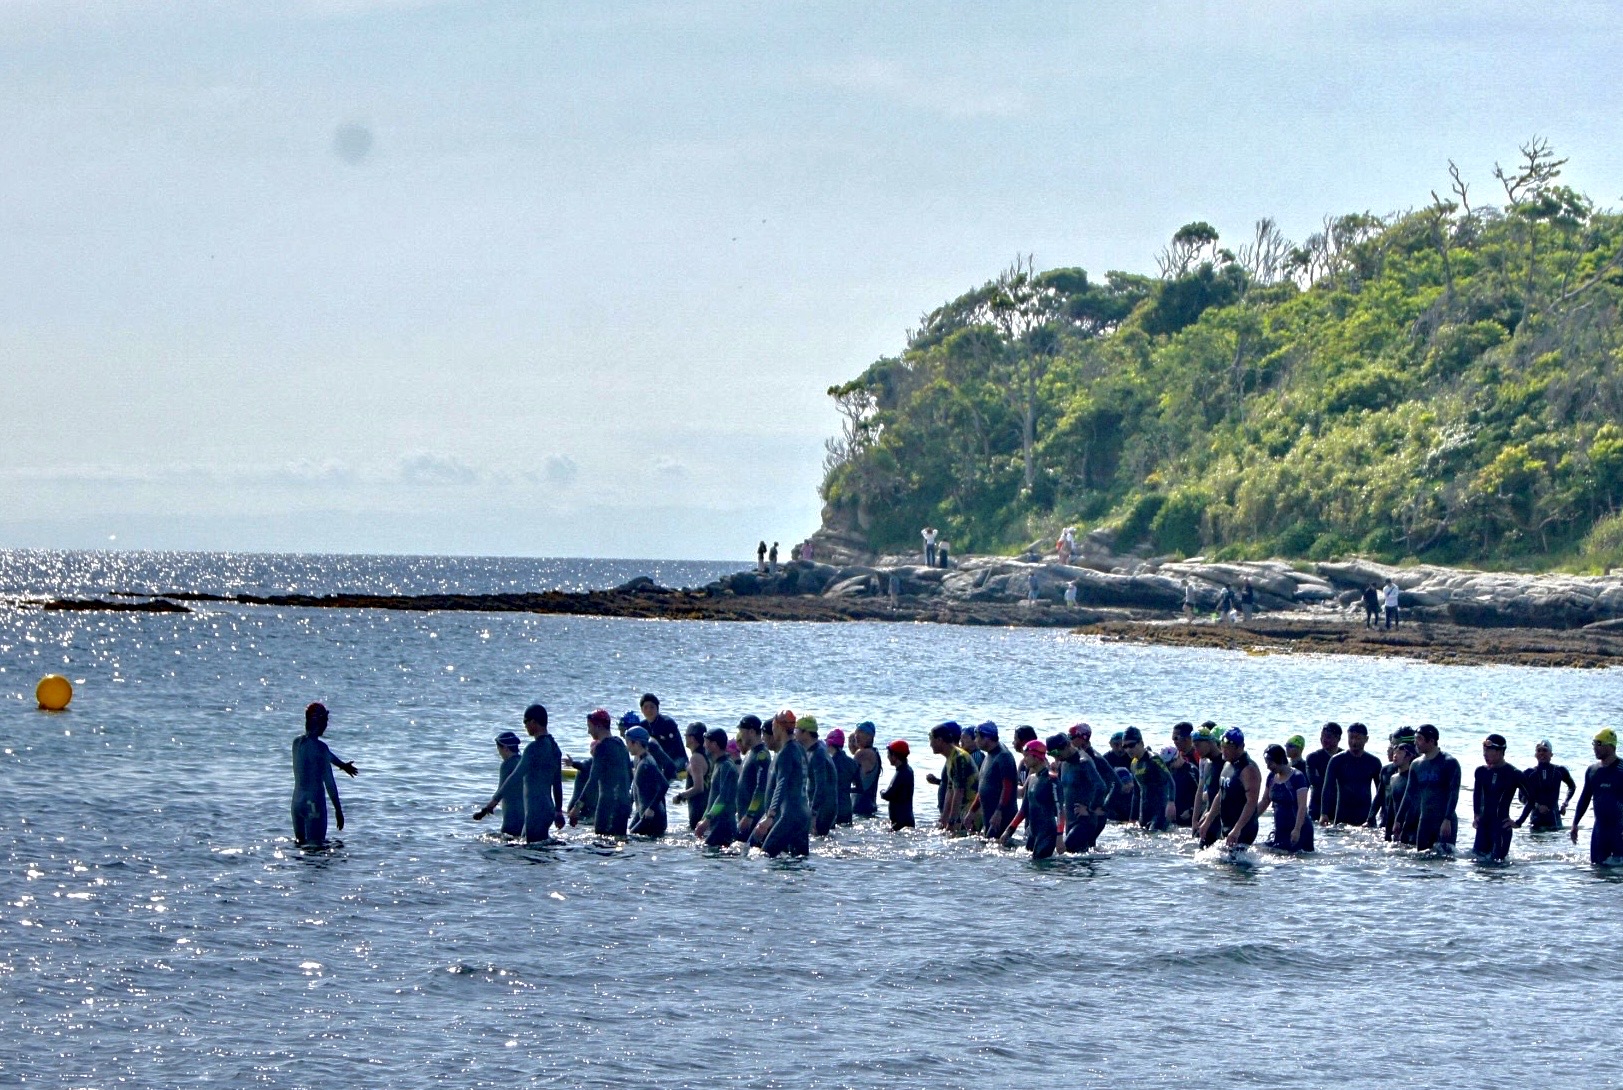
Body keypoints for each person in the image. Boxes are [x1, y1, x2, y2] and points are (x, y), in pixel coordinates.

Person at [475, 704, 563, 844]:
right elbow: (557, 783)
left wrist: (494, 801)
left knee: (532, 859)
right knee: (536, 853)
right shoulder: (555, 747)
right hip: (548, 810)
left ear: (533, 722)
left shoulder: (533, 748)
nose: (525, 726)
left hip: (535, 811)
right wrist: (558, 811)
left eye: (525, 722)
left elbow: (516, 776)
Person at [290, 702, 357, 846]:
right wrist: (338, 810)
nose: (326, 726)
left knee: (301, 848)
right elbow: (329, 783)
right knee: (317, 850)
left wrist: (342, 765)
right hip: (313, 804)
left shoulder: (297, 743)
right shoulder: (321, 749)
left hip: (297, 803)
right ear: (319, 723)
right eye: (325, 722)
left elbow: (325, 755)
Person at [755, 710, 812, 858]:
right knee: (799, 860)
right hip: (804, 814)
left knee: (765, 856)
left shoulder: (786, 753)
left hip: (790, 816)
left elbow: (782, 784)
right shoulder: (800, 748)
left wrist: (770, 816)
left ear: (779, 727)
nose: (772, 730)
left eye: (773, 726)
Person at [570, 709, 633, 836]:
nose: (588, 731)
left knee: (602, 845)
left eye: (589, 727)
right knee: (619, 843)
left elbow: (593, 780)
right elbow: (630, 775)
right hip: (624, 804)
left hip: (607, 805)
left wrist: (577, 807)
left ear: (598, 726)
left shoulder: (601, 748)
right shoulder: (621, 745)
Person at [1400, 723, 1461, 853]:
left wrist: (1447, 819)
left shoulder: (1449, 762)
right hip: (1425, 821)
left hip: (1445, 821)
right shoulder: (1416, 764)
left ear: (1431, 741)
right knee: (1421, 859)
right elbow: (1409, 793)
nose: (1415, 742)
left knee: (1445, 860)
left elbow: (1454, 793)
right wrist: (1398, 820)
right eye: (1415, 738)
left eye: (1419, 739)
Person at [1197, 728, 1261, 849]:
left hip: (1243, 828)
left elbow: (1251, 803)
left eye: (1228, 748)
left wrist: (1237, 829)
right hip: (1227, 824)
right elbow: (1221, 793)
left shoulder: (1248, 769)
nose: (1223, 751)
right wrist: (1207, 821)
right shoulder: (1227, 764)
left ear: (1240, 747)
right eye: (1222, 746)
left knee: (1235, 865)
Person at [1570, 728, 1623, 865]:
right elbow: (1585, 798)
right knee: (1596, 870)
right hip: (1600, 830)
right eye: (1594, 744)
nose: (1595, 748)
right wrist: (1575, 823)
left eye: (1598, 744)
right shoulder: (1592, 771)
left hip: (1620, 830)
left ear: (1611, 746)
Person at [1051, 732, 1108, 853]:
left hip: (1085, 821)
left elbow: (1101, 786)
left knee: (1065, 853)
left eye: (1056, 753)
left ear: (1067, 746)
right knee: (1079, 858)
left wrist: (1090, 809)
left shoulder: (1084, 762)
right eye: (1051, 754)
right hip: (1070, 820)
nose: (1055, 758)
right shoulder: (1063, 763)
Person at [1001, 740, 1058, 860]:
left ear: (1037, 757)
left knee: (1039, 866)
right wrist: (1009, 830)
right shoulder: (1031, 779)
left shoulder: (1052, 779)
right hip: (1032, 832)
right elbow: (1023, 809)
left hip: (1047, 833)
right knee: (1029, 870)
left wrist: (1060, 836)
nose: (1024, 759)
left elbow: (1061, 809)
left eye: (1027, 756)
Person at [1472, 734, 1521, 862]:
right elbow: (1476, 795)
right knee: (1477, 865)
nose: (1484, 754)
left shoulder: (1513, 773)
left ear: (1500, 752)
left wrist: (1518, 822)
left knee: (1497, 866)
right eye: (1483, 750)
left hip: (1501, 828)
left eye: (1488, 750)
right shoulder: (1481, 771)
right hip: (1483, 826)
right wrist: (1476, 815)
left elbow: (1532, 799)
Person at [1322, 722, 1382, 826]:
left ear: (1366, 739)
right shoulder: (1337, 760)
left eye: (1358, 738)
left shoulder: (1374, 762)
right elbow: (1328, 788)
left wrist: (1379, 815)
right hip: (1342, 814)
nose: (1354, 742)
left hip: (1365, 815)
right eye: (1351, 738)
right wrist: (1324, 813)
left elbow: (1381, 792)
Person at [1070, 724, 1117, 847]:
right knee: (1086, 850)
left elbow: (1117, 783)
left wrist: (1099, 807)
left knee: (1082, 849)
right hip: (1084, 813)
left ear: (1081, 738)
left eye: (1071, 737)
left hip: (1094, 814)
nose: (1069, 740)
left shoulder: (1095, 758)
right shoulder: (1078, 759)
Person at [1261, 743, 1314, 852]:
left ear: (1280, 759)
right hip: (1280, 830)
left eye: (1270, 763)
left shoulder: (1297, 777)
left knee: (1294, 863)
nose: (1268, 767)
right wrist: (1250, 820)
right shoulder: (1271, 777)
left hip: (1298, 830)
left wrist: (1297, 829)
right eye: (1267, 764)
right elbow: (1265, 801)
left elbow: (1302, 807)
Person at [1516, 739, 1577, 830]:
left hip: (1554, 819)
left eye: (1545, 750)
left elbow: (1572, 786)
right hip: (1535, 819)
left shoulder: (1559, 771)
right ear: (1535, 755)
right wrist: (1537, 806)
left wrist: (1565, 803)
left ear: (1551, 754)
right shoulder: (1529, 773)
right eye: (1539, 751)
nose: (1541, 753)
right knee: (1533, 843)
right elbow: (1521, 796)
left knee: (1556, 841)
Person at [973, 723, 1019, 838]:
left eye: (977, 736)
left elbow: (1008, 787)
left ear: (987, 738)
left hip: (1002, 813)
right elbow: (983, 787)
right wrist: (972, 811)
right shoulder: (989, 754)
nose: (975, 740)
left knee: (995, 845)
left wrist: (999, 812)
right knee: (987, 844)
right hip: (989, 812)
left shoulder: (1003, 756)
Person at [929, 723, 977, 833]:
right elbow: (950, 789)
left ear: (940, 740)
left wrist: (951, 821)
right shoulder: (950, 757)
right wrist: (944, 819)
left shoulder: (959, 757)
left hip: (969, 812)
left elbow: (959, 791)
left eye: (931, 739)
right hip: (961, 811)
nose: (930, 744)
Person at [695, 728, 739, 847]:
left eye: (706, 742)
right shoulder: (718, 764)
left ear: (714, 745)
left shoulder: (726, 766)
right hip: (716, 825)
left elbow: (723, 798)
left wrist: (706, 821)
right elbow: (713, 798)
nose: (704, 746)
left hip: (724, 826)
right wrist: (704, 819)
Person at [1123, 728, 1173, 830]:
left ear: (1141, 743)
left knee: (1155, 837)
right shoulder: (1133, 764)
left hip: (1160, 811)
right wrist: (1132, 818)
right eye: (1125, 746)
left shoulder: (1154, 759)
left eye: (1131, 745)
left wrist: (1171, 803)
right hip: (1144, 812)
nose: (1128, 749)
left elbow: (1170, 781)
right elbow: (1136, 793)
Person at [625, 727, 670, 837]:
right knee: (627, 836)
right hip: (643, 815)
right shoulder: (638, 760)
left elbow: (664, 785)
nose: (627, 747)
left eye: (628, 743)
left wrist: (651, 808)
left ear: (636, 743)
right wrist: (630, 804)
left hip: (653, 818)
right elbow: (636, 788)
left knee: (627, 840)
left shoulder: (647, 763)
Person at [798, 717, 839, 837]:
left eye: (797, 730)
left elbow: (821, 785)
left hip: (823, 807)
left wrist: (813, 813)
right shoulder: (816, 748)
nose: (795, 734)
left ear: (805, 733)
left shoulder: (818, 754)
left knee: (818, 839)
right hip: (824, 806)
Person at [734, 716, 772, 842]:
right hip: (745, 815)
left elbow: (761, 788)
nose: (740, 734)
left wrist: (750, 815)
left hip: (753, 818)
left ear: (751, 731)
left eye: (742, 731)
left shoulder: (762, 755)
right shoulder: (751, 753)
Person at [672, 722, 711, 831]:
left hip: (698, 810)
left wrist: (680, 796)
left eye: (686, 736)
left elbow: (699, 788)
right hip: (705, 808)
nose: (685, 738)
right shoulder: (707, 755)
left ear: (692, 738)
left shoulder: (696, 758)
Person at [1192, 726, 1226, 846]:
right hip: (1208, 817)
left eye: (1198, 745)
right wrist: (1195, 820)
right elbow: (1201, 790)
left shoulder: (1224, 763)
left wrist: (1209, 816)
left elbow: (1223, 793)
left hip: (1221, 819)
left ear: (1210, 742)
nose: (1196, 750)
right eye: (1194, 746)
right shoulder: (1206, 763)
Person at [489, 730, 526, 838]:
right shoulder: (523, 761)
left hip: (512, 817)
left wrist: (489, 806)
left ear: (505, 748)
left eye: (498, 749)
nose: (499, 752)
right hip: (527, 817)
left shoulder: (507, 765)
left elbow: (502, 790)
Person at [1305, 722, 1342, 823]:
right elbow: (1314, 782)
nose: (1324, 740)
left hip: (1339, 807)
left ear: (1338, 739)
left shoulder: (1344, 757)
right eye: (1322, 736)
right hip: (1317, 807)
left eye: (1328, 737)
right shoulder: (1313, 757)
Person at [637, 693, 686, 770]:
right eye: (645, 707)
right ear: (642, 710)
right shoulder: (642, 726)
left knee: (665, 771)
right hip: (655, 760)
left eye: (652, 707)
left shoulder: (667, 723)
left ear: (657, 708)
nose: (649, 710)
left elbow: (671, 749)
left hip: (677, 758)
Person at [1385, 736, 1419, 843]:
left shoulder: (1413, 778)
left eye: (1399, 753)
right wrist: (1387, 831)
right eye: (1395, 752)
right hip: (1397, 826)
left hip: (1412, 827)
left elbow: (1415, 806)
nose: (1395, 756)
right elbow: (1391, 806)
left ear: (1409, 757)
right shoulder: (1393, 778)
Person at [850, 722, 882, 818]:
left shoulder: (862, 753)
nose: (857, 736)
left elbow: (846, 775)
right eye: (856, 733)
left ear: (870, 736)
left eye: (861, 732)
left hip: (861, 806)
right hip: (870, 804)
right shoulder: (875, 752)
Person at [826, 728, 857, 826]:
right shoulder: (852, 763)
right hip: (847, 809)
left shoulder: (829, 763)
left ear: (830, 744)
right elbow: (860, 788)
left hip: (833, 808)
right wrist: (846, 789)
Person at [883, 740, 915, 830]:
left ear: (894, 756)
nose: (887, 757)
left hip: (900, 822)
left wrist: (882, 792)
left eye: (888, 754)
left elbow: (888, 794)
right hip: (907, 818)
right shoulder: (908, 770)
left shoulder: (901, 773)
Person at [1165, 744, 1199, 826]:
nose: (1169, 767)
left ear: (1178, 756)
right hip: (1175, 819)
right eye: (1166, 765)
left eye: (1170, 763)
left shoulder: (1191, 771)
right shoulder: (1171, 772)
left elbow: (1201, 797)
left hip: (1188, 818)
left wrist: (1191, 811)